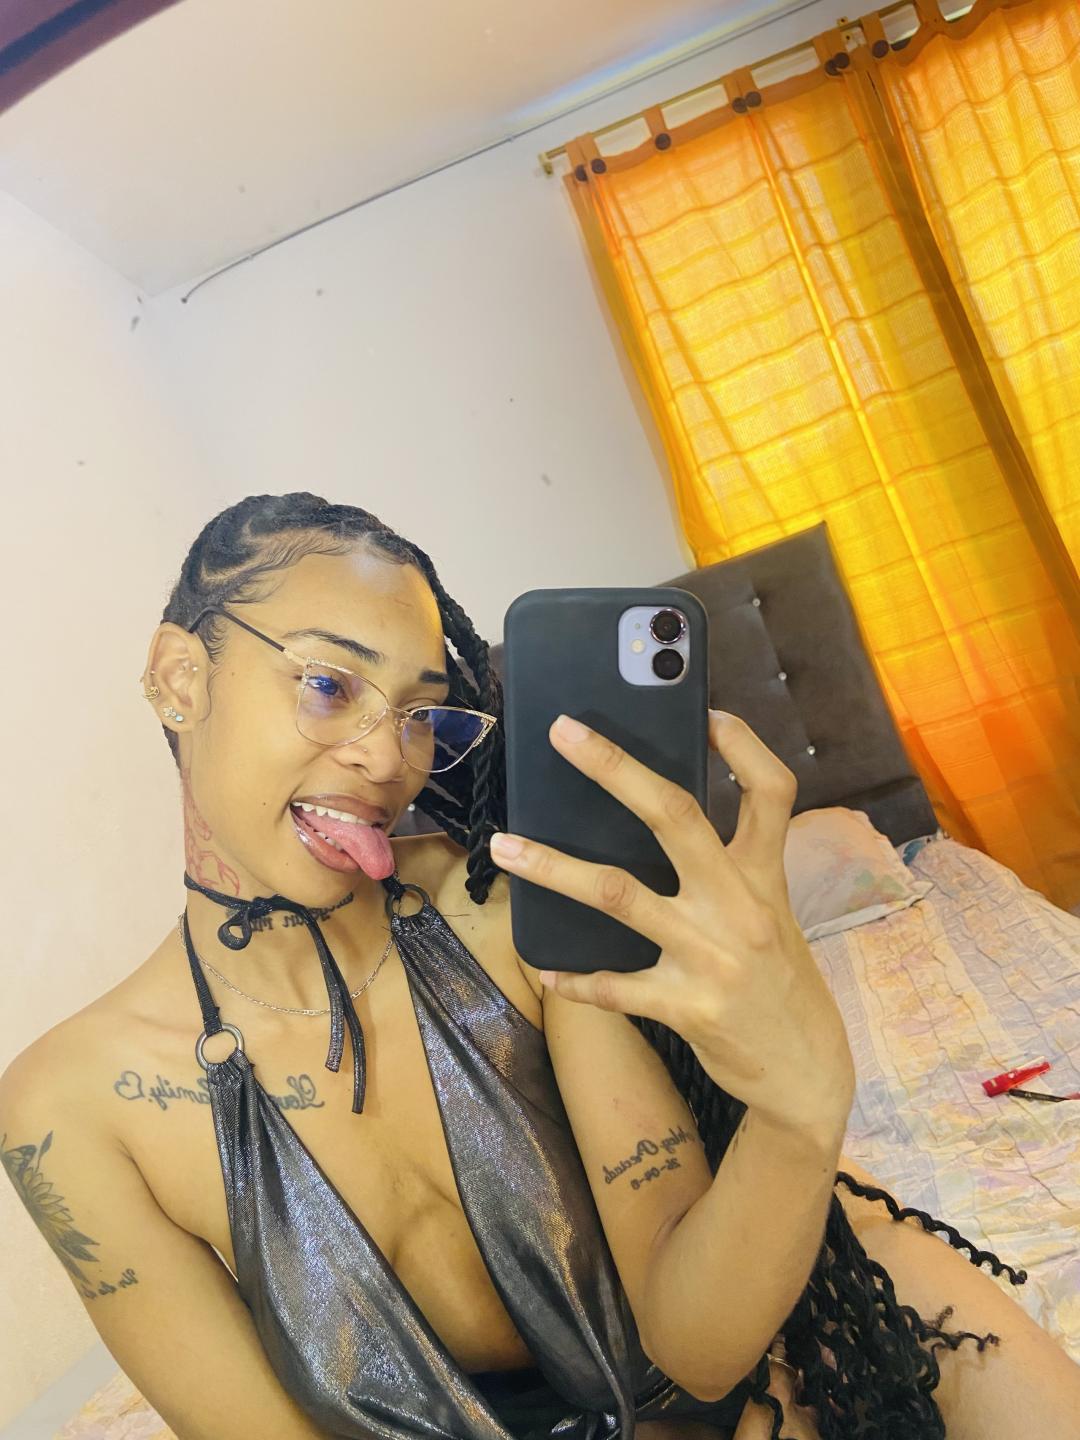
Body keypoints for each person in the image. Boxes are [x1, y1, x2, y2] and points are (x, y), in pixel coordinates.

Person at [2, 493, 1078, 1440]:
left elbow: (699, 1348)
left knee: (950, 1327)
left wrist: (802, 1105)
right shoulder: (71, 1113)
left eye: (421, 713)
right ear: (179, 677)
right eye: (329, 685)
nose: (385, 758)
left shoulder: (509, 906)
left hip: (765, 1359)